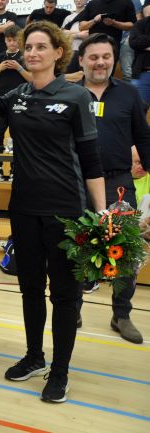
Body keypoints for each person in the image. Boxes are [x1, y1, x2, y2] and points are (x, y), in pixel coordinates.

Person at [0, 20, 106, 403]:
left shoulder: (76, 97)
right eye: (29, 47)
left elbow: (90, 161)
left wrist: (101, 214)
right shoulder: (16, 96)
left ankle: (60, 371)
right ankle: (34, 356)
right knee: (29, 289)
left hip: (67, 211)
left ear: (59, 53)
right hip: (23, 208)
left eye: (41, 47)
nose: (33, 53)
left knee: (66, 296)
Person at [75, 33, 149, 344]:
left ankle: (121, 314)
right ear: (81, 61)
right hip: (75, 183)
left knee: (127, 253)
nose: (100, 62)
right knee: (75, 249)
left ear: (114, 59)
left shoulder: (129, 95)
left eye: (106, 56)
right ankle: (72, 307)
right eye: (93, 57)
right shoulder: (68, 93)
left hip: (119, 182)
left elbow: (143, 138)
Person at [0, 24, 32, 183]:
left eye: (15, 40)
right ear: (5, 40)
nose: (12, 43)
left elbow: (32, 80)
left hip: (19, 102)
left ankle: (14, 169)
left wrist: (19, 68)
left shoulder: (25, 57)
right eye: (9, 40)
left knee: (16, 135)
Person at [61, 0, 90, 73]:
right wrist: (79, 34)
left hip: (85, 51)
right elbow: (62, 33)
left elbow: (88, 33)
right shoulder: (68, 17)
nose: (78, 0)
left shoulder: (89, 16)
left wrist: (70, 33)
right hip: (71, 52)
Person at [130, 5, 150, 103]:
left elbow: (140, 42)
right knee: (139, 111)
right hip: (142, 74)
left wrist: (144, 42)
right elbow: (134, 42)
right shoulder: (140, 24)